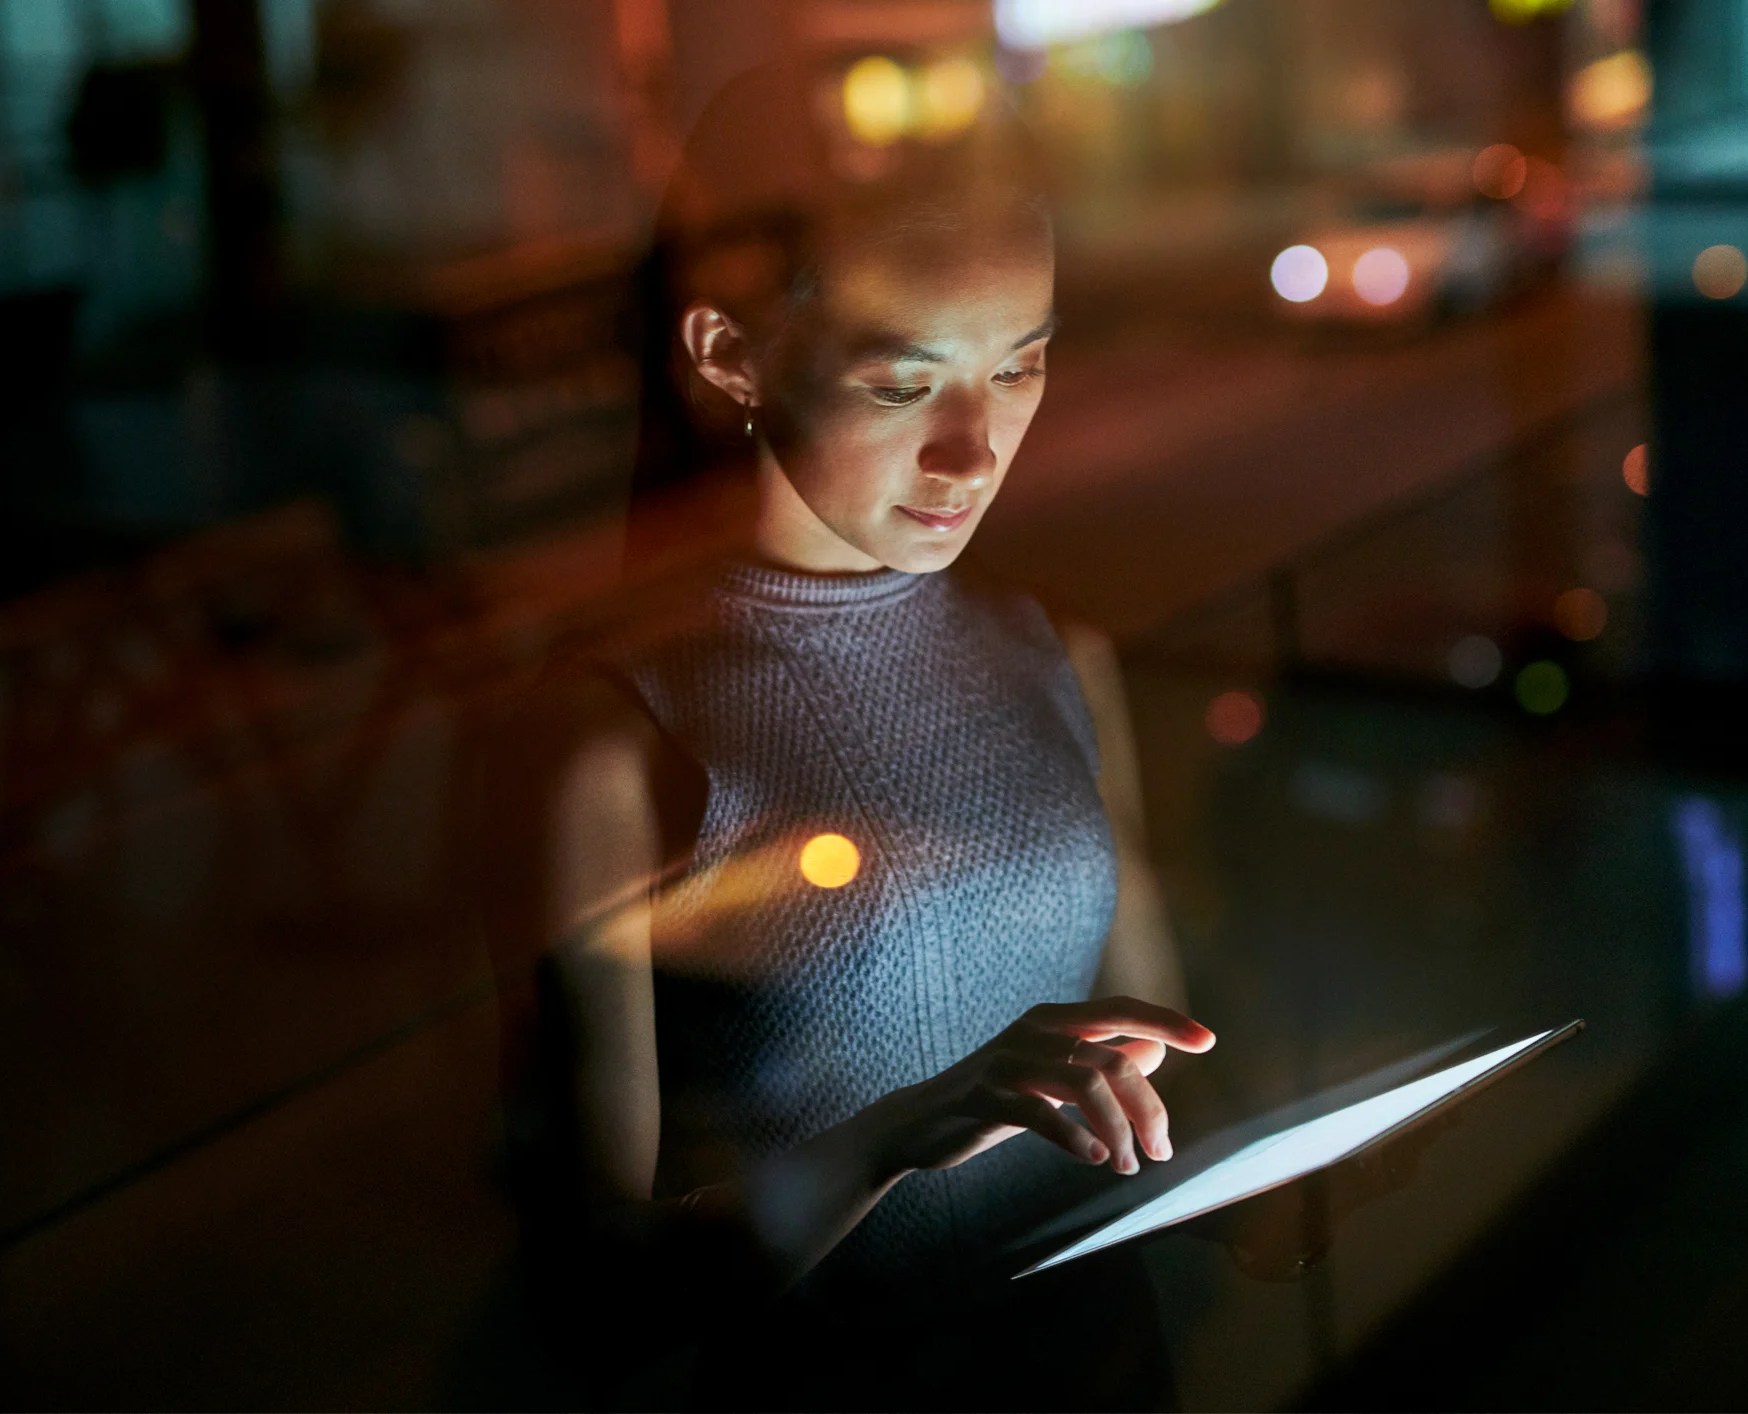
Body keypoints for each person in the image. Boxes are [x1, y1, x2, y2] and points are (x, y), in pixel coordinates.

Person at [478, 60, 1212, 1410]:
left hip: (1101, 1366)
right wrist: (903, 1132)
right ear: (725, 355)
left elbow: (1161, 1098)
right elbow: (605, 1285)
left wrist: (1277, 1178)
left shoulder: (1057, 657)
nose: (972, 449)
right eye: (900, 384)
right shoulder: (620, 739)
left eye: (1020, 365)